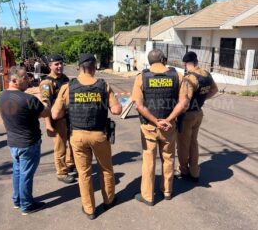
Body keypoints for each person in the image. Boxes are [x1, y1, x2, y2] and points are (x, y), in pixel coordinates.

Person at [51, 53, 122, 220]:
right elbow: (117, 110)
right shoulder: (104, 85)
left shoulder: (68, 87)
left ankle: (89, 209)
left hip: (77, 136)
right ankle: (109, 200)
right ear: (95, 67)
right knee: (106, 169)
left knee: (84, 173)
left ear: (79, 68)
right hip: (99, 135)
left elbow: (55, 114)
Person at [131, 49, 191, 205]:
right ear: (164, 59)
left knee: (148, 160)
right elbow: (183, 102)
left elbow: (139, 105)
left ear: (149, 61)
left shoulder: (141, 77)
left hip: (149, 127)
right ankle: (167, 192)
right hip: (169, 127)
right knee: (169, 158)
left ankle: (148, 196)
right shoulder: (178, 76)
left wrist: (156, 121)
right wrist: (169, 119)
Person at [0, 66, 50, 215]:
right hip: (28, 143)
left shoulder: (2, 96)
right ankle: (26, 205)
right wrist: (45, 101)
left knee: (17, 172)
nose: (28, 81)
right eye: (24, 78)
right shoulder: (29, 99)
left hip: (13, 142)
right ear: (14, 80)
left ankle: (17, 200)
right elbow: (46, 112)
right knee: (26, 174)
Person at [176, 51, 218, 182]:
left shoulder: (190, 78)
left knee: (183, 144)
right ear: (196, 62)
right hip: (199, 113)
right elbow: (214, 90)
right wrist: (202, 100)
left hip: (188, 116)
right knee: (193, 142)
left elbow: (185, 100)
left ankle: (184, 170)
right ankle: (195, 171)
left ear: (185, 64)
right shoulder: (206, 74)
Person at [39, 54, 76, 184]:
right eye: (56, 64)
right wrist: (48, 125)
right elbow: (45, 106)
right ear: (50, 66)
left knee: (72, 144)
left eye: (61, 63)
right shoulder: (46, 83)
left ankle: (70, 164)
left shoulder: (65, 79)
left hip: (69, 117)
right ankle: (61, 172)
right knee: (60, 147)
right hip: (57, 120)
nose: (59, 66)